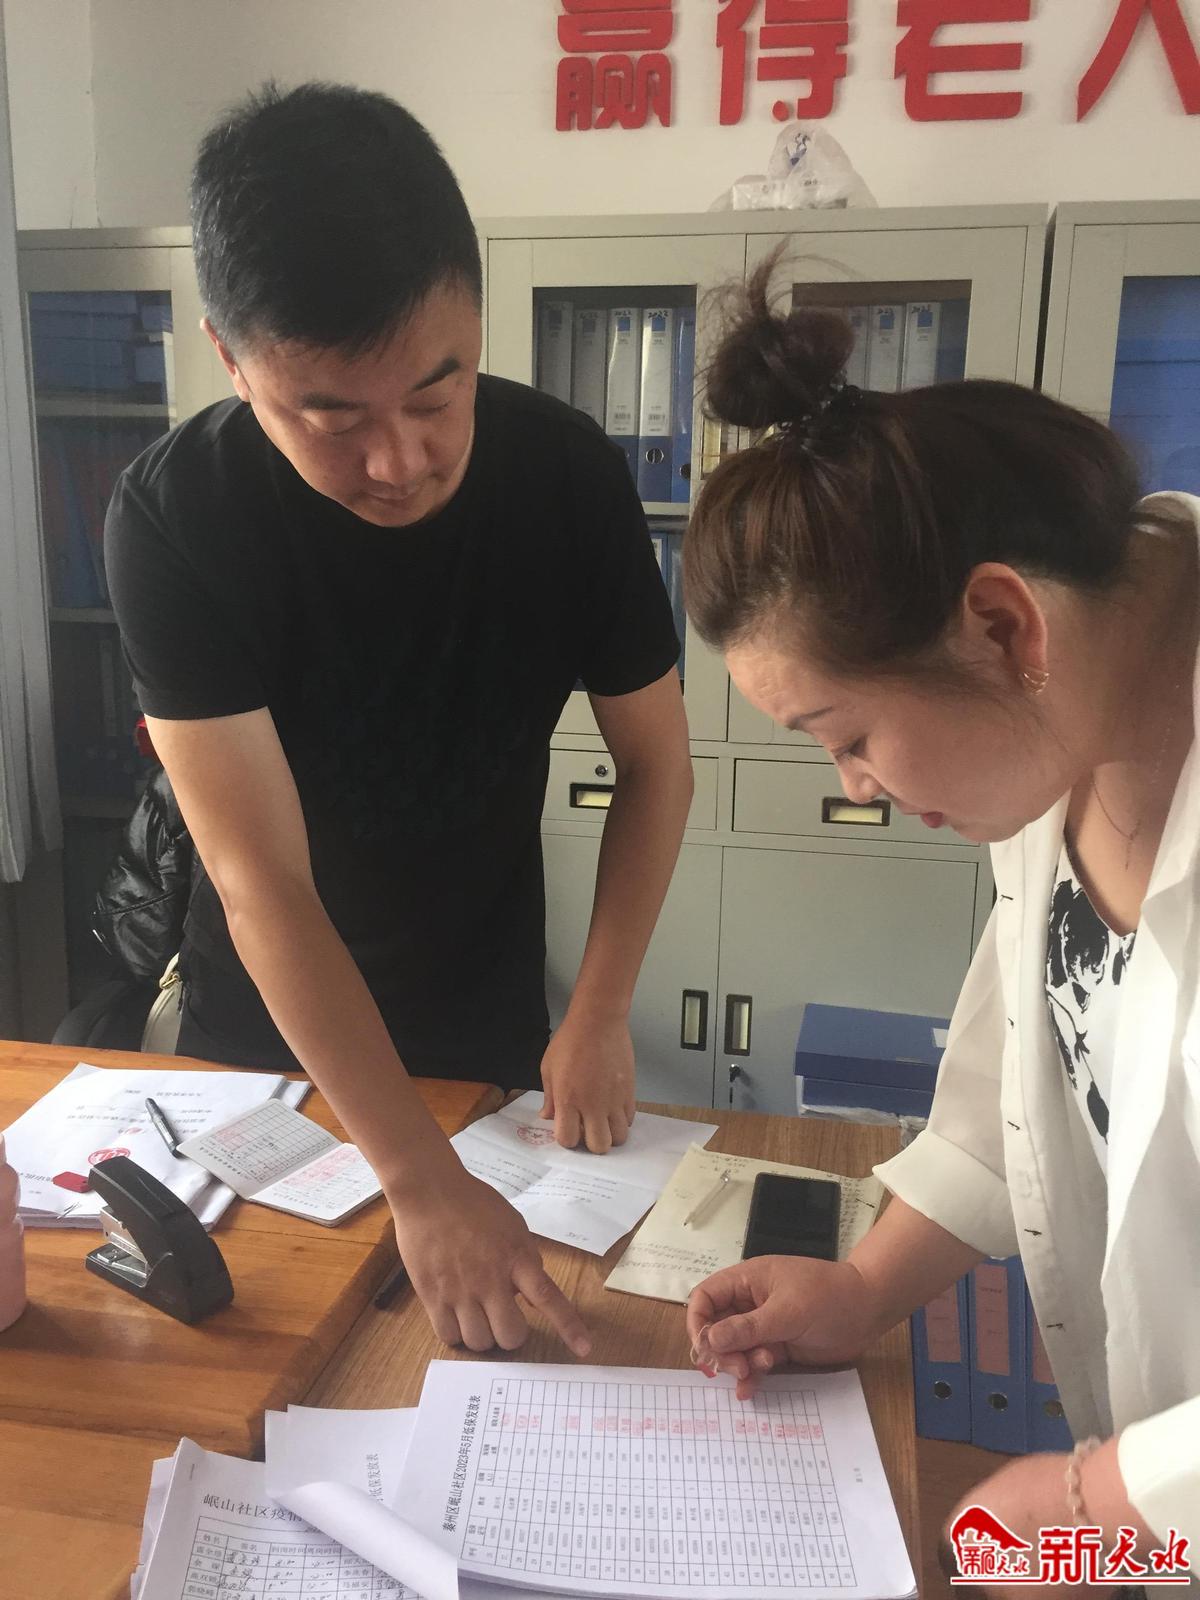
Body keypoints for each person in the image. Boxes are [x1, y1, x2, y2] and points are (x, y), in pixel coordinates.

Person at [104, 81, 694, 1356]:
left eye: (436, 393)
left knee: (492, 1359)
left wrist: (598, 1010)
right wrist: (418, 1180)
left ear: (475, 315)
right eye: (332, 418)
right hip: (269, 1047)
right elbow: (259, 879)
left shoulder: (567, 479)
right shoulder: (177, 518)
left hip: (485, 1021)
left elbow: (656, 764)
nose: (401, 462)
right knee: (259, 1368)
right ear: (230, 360)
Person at [680, 259, 1199, 1585]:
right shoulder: (1060, 727)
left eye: (847, 735)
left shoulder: (1049, 707)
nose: (856, 785)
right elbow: (1006, 1108)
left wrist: (1104, 1500)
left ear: (1000, 624)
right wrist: (862, 1289)